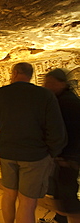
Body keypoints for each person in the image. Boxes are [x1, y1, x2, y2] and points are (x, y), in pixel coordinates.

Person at [0, 62, 67, 223]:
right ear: (30, 75)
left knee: (8, 194)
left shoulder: (1, 94)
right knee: (27, 202)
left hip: (7, 153)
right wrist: (51, 153)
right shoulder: (45, 95)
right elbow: (57, 130)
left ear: (14, 73)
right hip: (34, 156)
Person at [44, 68, 80, 223]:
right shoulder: (62, 100)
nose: (47, 86)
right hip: (64, 156)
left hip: (68, 158)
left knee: (68, 198)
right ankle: (60, 220)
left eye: (51, 83)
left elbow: (72, 132)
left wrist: (67, 157)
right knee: (60, 193)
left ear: (62, 84)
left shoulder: (68, 102)